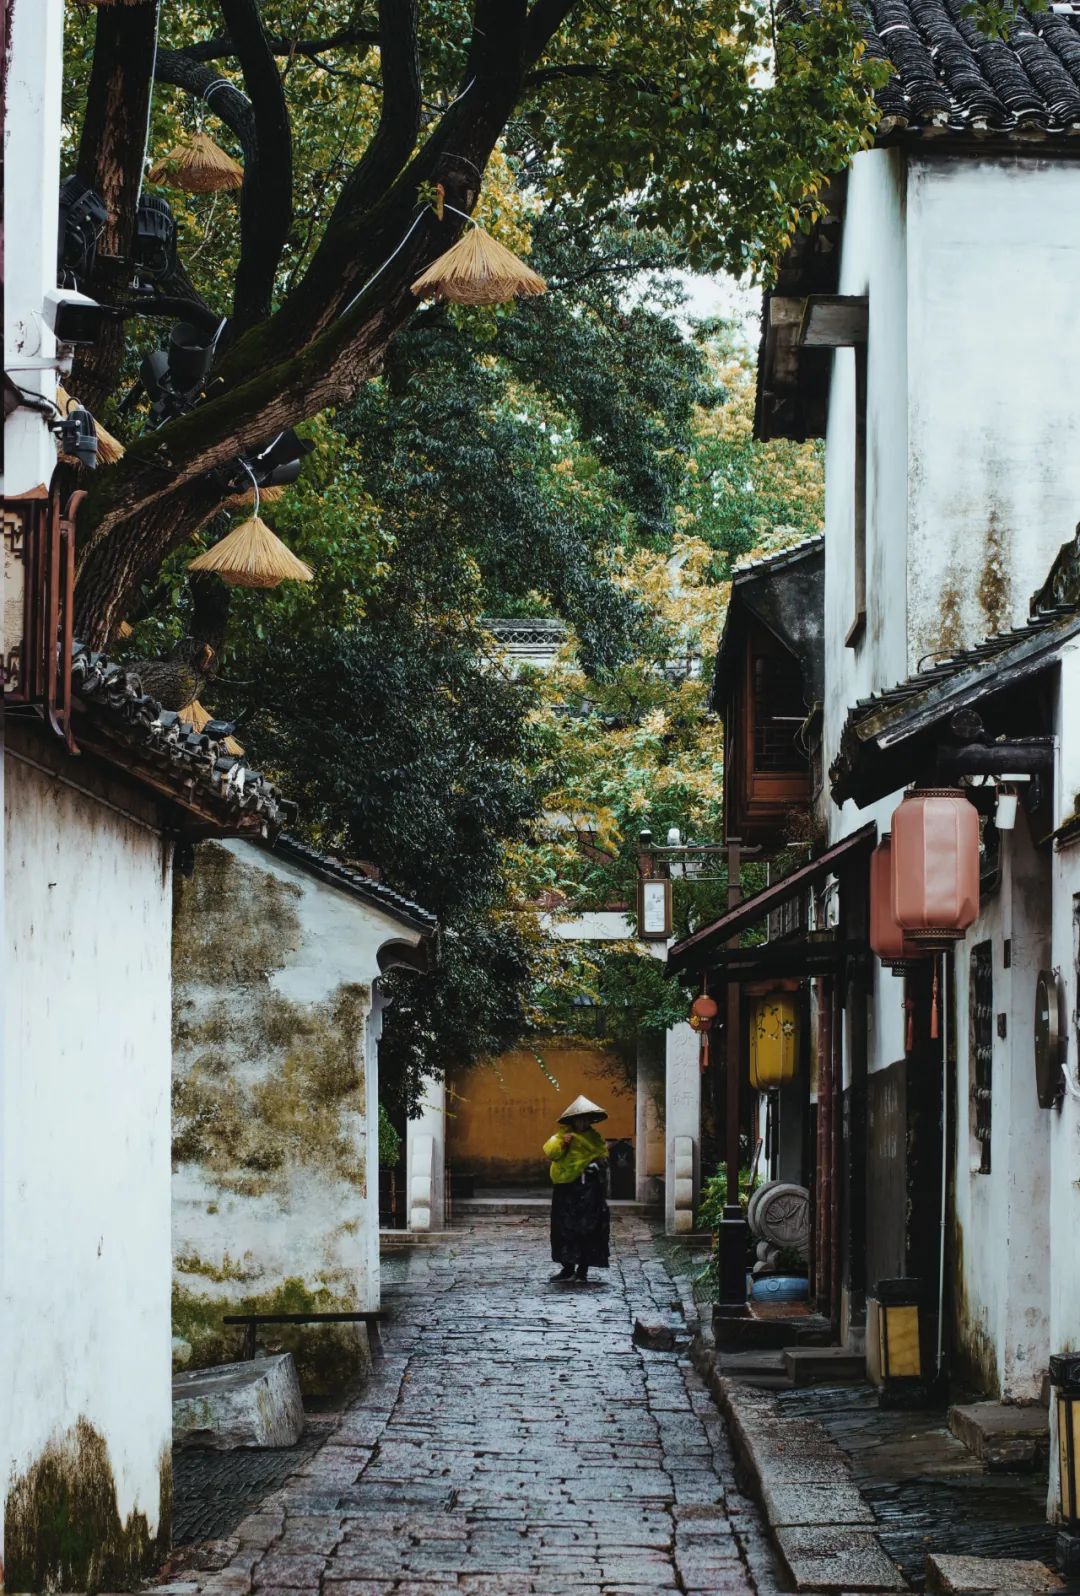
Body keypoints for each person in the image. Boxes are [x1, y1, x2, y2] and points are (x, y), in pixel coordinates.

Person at [542, 1094, 610, 1283]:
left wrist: (595, 1163)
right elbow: (551, 1153)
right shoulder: (561, 1136)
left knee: (588, 1227)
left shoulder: (594, 1138)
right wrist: (564, 1143)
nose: (582, 1122)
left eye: (586, 1119)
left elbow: (603, 1155)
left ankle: (583, 1269)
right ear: (572, 1120)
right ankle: (567, 1267)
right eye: (579, 1119)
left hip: (588, 1189)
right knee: (564, 1228)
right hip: (566, 1189)